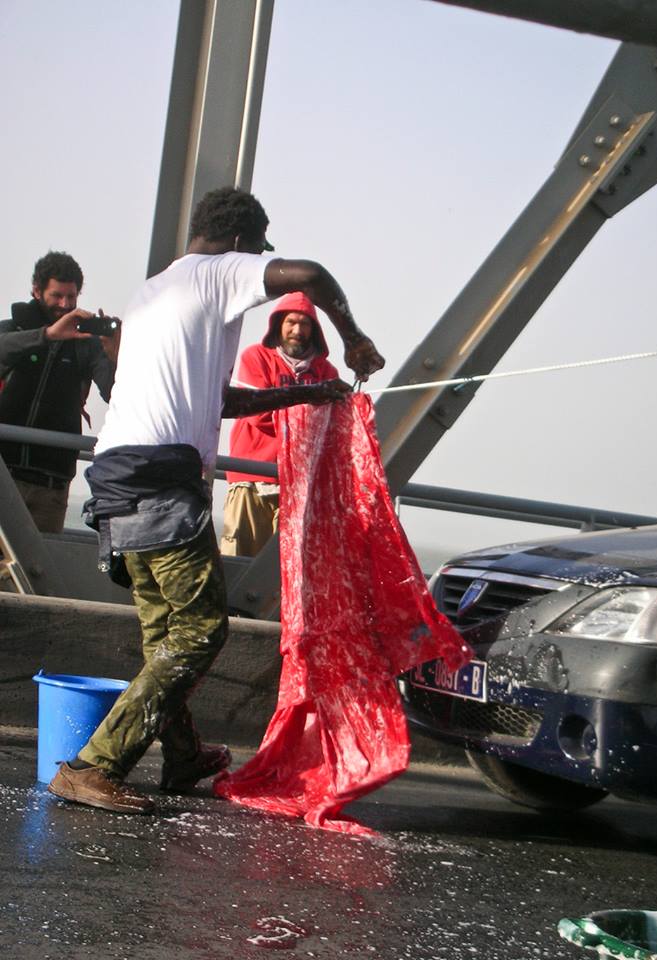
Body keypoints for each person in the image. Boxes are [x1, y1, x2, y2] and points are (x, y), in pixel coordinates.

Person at [47, 185, 384, 814]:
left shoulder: (154, 291)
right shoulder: (218, 272)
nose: (259, 265)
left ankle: (183, 755)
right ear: (238, 242)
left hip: (116, 476)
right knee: (201, 630)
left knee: (165, 632)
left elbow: (220, 402)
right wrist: (356, 338)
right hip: (159, 480)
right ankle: (94, 765)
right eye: (257, 250)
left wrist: (307, 395)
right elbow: (309, 274)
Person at [0, 251, 119, 533]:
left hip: (51, 485)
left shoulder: (87, 344)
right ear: (37, 291)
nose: (65, 305)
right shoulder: (12, 330)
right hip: (4, 475)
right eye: (57, 296)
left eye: (71, 297)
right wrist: (48, 336)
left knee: (39, 574)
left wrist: (114, 356)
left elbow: (114, 396)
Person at [221, 291, 340, 558]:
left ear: (314, 329)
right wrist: (309, 410)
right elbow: (256, 413)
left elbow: (333, 426)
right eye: (291, 322)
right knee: (238, 562)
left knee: (291, 570)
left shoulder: (327, 373)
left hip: (300, 486)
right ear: (278, 324)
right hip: (251, 479)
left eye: (305, 323)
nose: (297, 330)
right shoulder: (256, 358)